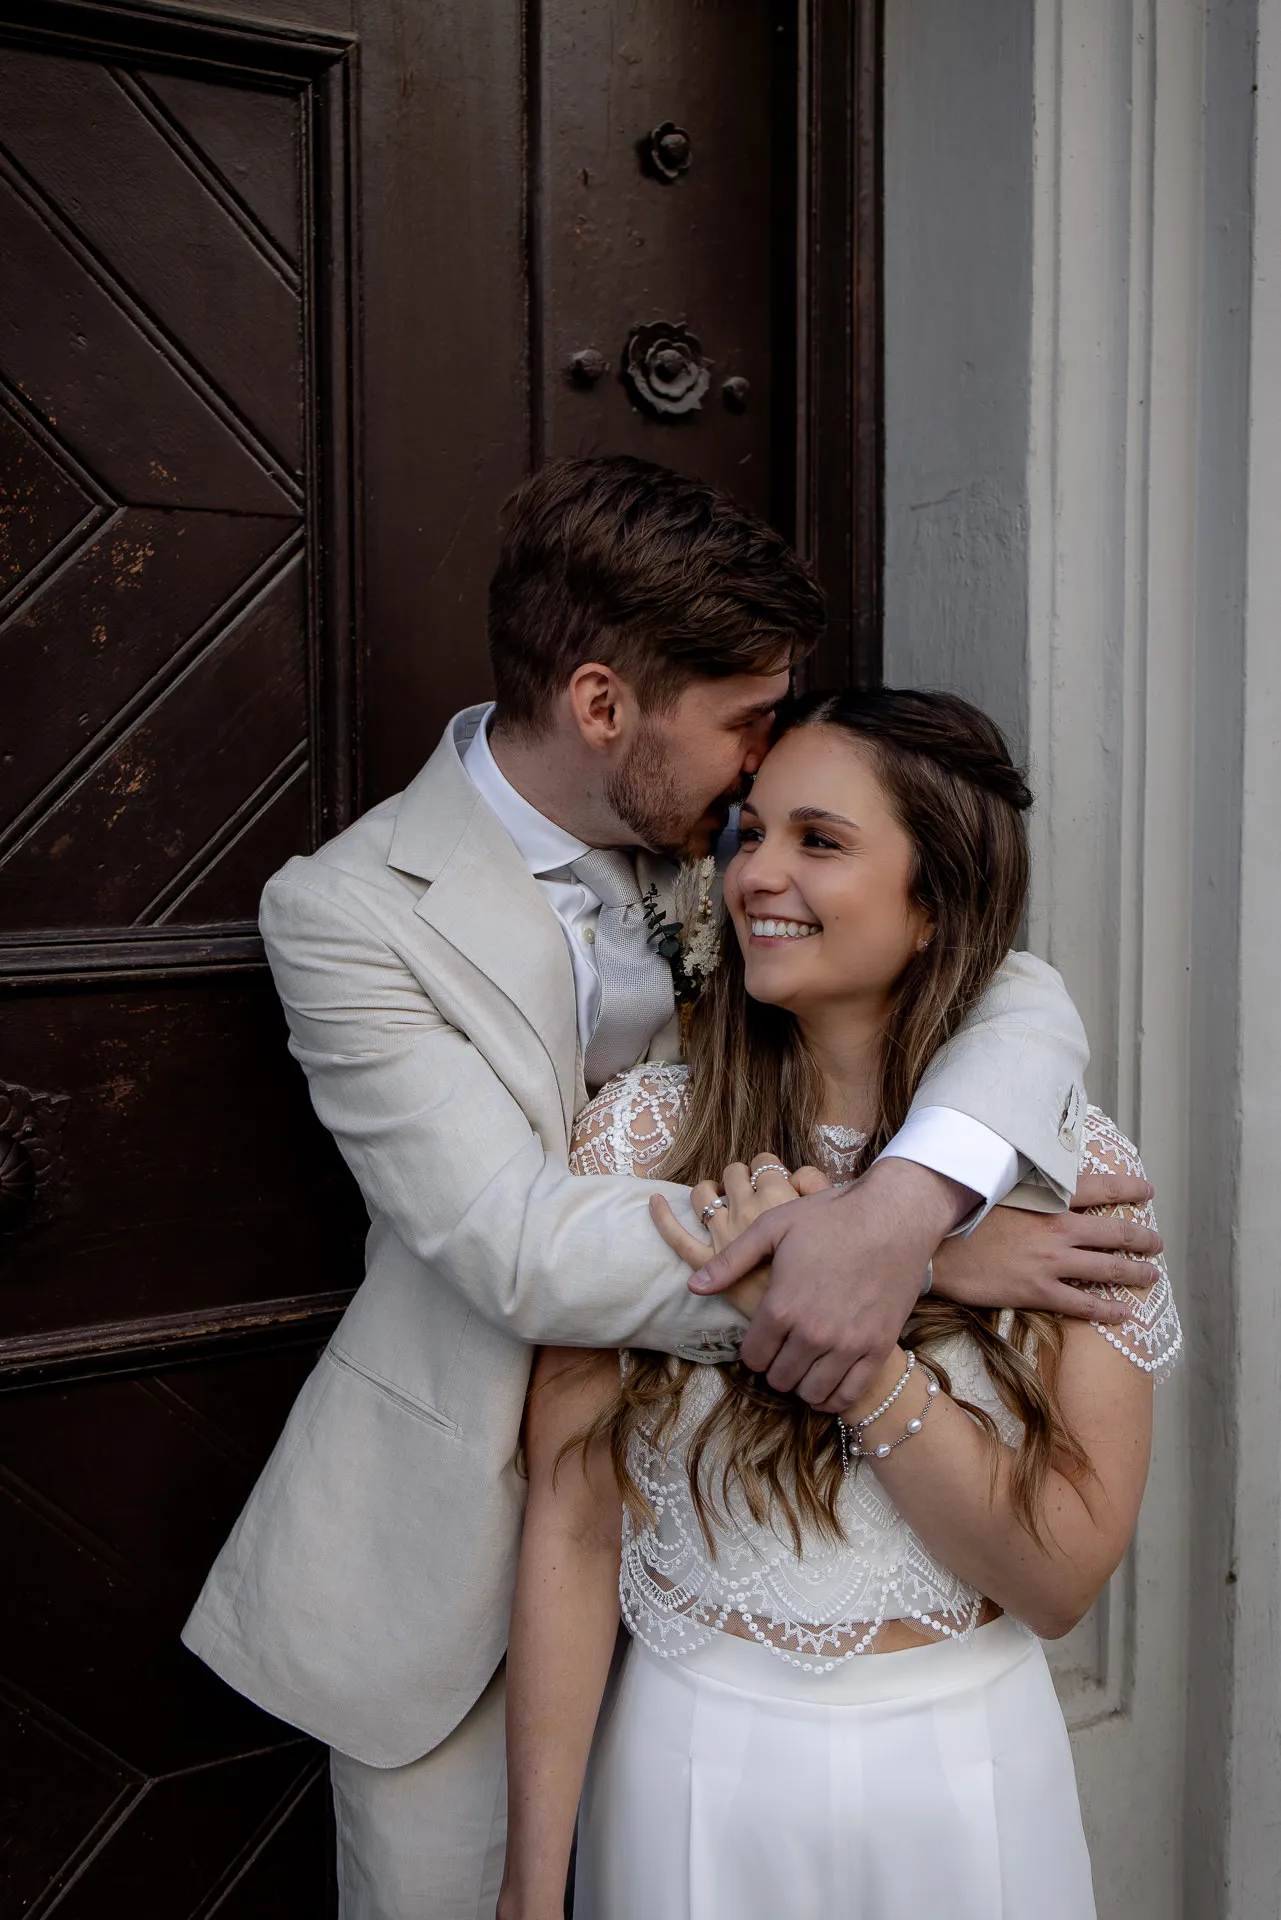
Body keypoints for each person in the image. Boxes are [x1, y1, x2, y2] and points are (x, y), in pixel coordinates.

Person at [181, 459, 1157, 1920]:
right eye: (747, 727)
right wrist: (919, 1265)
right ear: (600, 709)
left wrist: (903, 1203)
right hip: (467, 1541)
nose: (762, 783)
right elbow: (516, 1246)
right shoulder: (348, 913)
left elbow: (999, 981)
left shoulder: (725, 847)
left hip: (750, 1547)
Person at [500, 688, 1181, 1920]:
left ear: (934, 904)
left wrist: (862, 1355)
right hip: (686, 1771)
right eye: (749, 831)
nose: (758, 870)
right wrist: (532, 1887)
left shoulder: (1073, 1184)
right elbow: (572, 1525)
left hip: (966, 1782)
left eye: (819, 840)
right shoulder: (643, 1138)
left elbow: (1060, 1580)